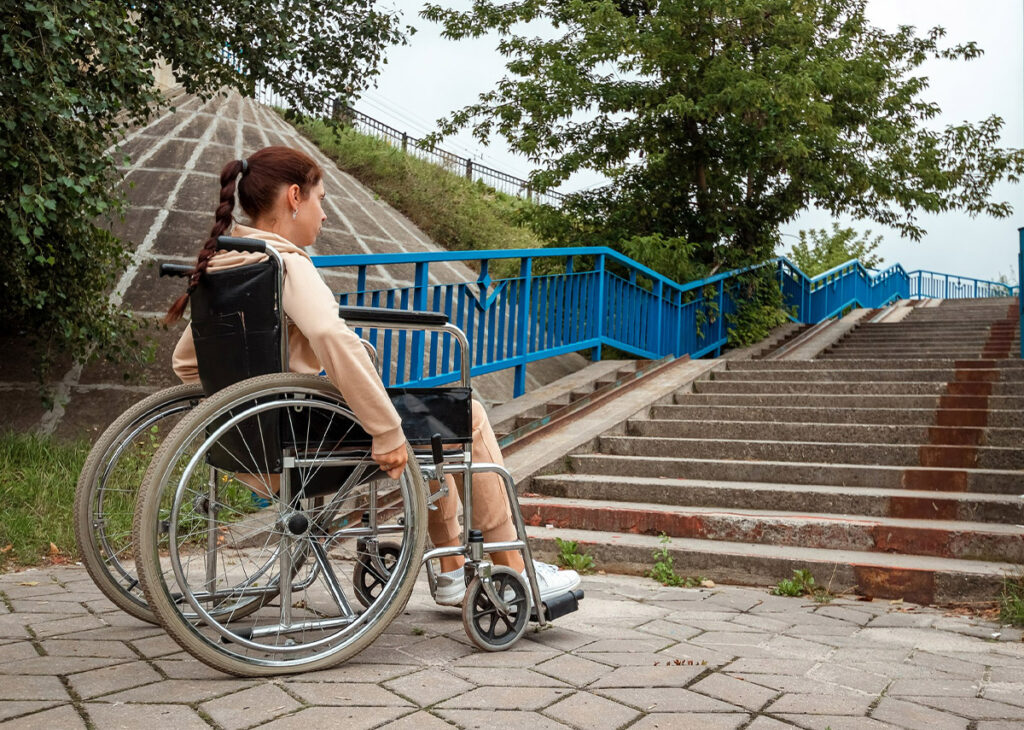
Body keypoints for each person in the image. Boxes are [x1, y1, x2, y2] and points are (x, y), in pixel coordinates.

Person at [165, 145, 580, 606]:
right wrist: (385, 431)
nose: (324, 217)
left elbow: (187, 363)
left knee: (428, 423)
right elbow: (331, 336)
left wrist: (245, 414)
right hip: (301, 444)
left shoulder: (226, 262)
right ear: (295, 197)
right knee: (466, 418)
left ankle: (450, 572)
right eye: (322, 200)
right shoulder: (286, 264)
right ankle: (515, 569)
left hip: (253, 446)